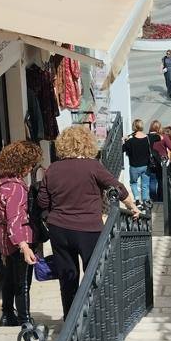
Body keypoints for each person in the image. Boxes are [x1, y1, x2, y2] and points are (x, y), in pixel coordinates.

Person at [38, 126, 139, 316]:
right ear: (87, 143)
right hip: (88, 229)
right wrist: (132, 206)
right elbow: (117, 187)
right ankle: (94, 316)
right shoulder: (93, 166)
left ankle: (70, 318)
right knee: (94, 273)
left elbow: (42, 201)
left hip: (59, 229)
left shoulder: (52, 169)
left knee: (67, 276)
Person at [0, 141, 42, 327]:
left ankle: (7, 314)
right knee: (23, 282)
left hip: (2, 237)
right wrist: (24, 246)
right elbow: (14, 219)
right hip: (20, 236)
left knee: (8, 278)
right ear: (22, 164)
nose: (30, 169)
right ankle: (25, 319)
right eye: (30, 164)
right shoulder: (16, 188)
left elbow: (2, 215)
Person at [123, 118, 153, 206]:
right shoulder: (147, 139)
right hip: (146, 166)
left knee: (133, 183)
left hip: (134, 167)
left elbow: (122, 149)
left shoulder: (130, 141)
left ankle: (137, 199)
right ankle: (145, 201)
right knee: (145, 184)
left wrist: (124, 140)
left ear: (134, 127)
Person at [149, 118, 171, 200]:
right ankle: (161, 198)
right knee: (162, 180)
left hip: (151, 161)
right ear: (160, 127)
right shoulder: (163, 137)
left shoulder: (147, 137)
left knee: (152, 180)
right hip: (162, 161)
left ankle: (153, 199)